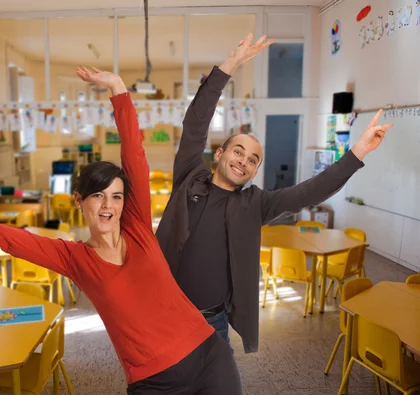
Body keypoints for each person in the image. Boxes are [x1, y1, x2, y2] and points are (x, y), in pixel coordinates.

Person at [0, 67, 243, 395]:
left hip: (206, 354)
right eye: (97, 195)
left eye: (115, 195)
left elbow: (134, 156)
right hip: (151, 381)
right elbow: (3, 236)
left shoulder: (138, 227)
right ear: (79, 201)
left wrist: (117, 88)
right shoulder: (73, 258)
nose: (107, 205)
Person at [155, 33, 394, 355]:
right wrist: (230, 65)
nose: (244, 160)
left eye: (253, 160)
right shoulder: (189, 178)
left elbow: (313, 189)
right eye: (238, 151)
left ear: (255, 172)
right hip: (163, 311)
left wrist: (359, 150)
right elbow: (196, 122)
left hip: (212, 321)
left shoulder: (257, 203)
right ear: (221, 153)